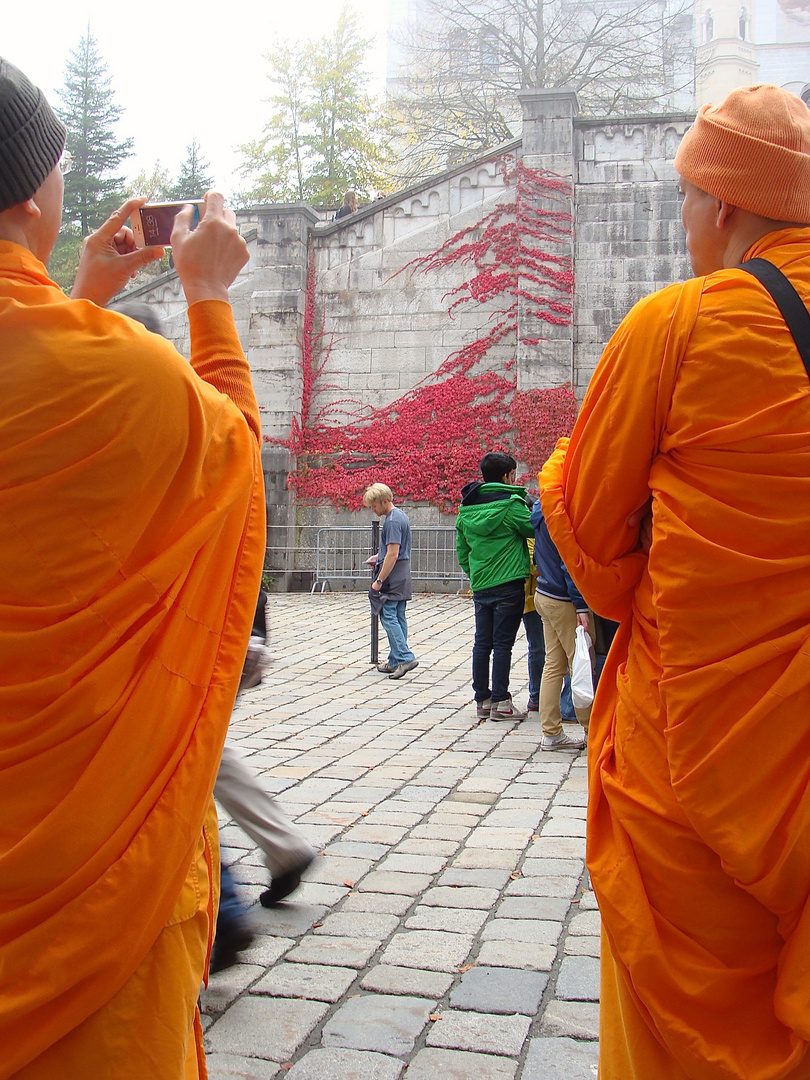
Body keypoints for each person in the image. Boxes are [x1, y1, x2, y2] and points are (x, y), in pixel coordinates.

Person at [0, 57, 265, 1079]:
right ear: (35, 194)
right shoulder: (124, 369)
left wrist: (81, 295)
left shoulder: (87, 351)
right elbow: (233, 464)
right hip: (88, 844)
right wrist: (204, 298)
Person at [539, 83, 810, 1079]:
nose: (685, 222)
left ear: (725, 207)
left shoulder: (680, 325)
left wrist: (568, 468)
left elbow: (592, 548)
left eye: (687, 201)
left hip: (693, 766)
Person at [456, 452, 534, 721]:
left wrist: (476, 573)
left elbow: (462, 551)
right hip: (509, 583)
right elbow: (533, 529)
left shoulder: (466, 509)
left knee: (482, 643)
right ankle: (501, 700)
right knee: (503, 644)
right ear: (506, 476)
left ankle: (483, 700)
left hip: (481, 585)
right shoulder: (512, 504)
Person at [530, 498, 591, 751]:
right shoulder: (563, 511)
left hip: (544, 593)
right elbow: (569, 561)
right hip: (564, 598)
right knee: (582, 662)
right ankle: (591, 729)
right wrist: (581, 605)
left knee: (553, 665)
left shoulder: (539, 510)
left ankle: (551, 732)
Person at [363, 483, 419, 680]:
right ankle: (396, 659)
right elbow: (392, 551)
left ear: (384, 501)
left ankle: (404, 657)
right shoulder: (400, 516)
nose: (373, 510)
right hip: (402, 573)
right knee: (398, 615)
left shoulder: (392, 522)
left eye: (374, 506)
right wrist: (378, 557)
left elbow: (393, 554)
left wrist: (378, 580)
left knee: (388, 615)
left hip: (393, 576)